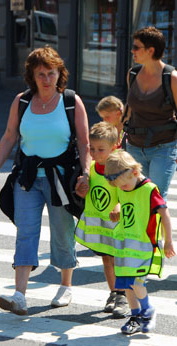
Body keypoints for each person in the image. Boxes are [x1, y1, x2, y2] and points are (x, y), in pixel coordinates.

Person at [0, 46, 91, 316]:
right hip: (27, 178)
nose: (46, 79)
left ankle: (65, 284)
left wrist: (86, 173)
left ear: (59, 74)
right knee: (26, 232)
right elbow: (9, 136)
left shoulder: (70, 101)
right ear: (32, 75)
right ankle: (20, 295)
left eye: (51, 73)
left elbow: (84, 141)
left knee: (62, 231)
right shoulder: (22, 101)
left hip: (61, 177)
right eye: (40, 74)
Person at [104, 150, 175, 335]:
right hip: (125, 245)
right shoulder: (125, 185)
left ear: (135, 172)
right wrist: (117, 208)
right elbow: (122, 201)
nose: (123, 189)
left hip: (144, 246)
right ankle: (135, 316)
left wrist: (168, 241)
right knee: (127, 285)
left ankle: (147, 310)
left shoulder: (149, 190)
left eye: (125, 185)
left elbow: (165, 214)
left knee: (137, 283)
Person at [123, 26, 177, 201]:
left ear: (151, 50)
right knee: (136, 198)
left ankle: (160, 229)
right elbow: (129, 110)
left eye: (136, 47)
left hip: (163, 147)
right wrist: (114, 136)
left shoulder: (172, 78)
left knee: (155, 198)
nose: (132, 51)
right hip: (134, 146)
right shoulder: (133, 74)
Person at [74, 122, 128, 318]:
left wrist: (119, 205)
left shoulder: (119, 168)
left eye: (100, 149)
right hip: (101, 224)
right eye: (92, 149)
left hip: (118, 225)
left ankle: (123, 295)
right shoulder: (92, 170)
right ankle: (113, 292)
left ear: (114, 148)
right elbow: (90, 195)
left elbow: (129, 192)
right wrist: (82, 192)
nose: (95, 153)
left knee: (119, 259)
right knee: (107, 259)